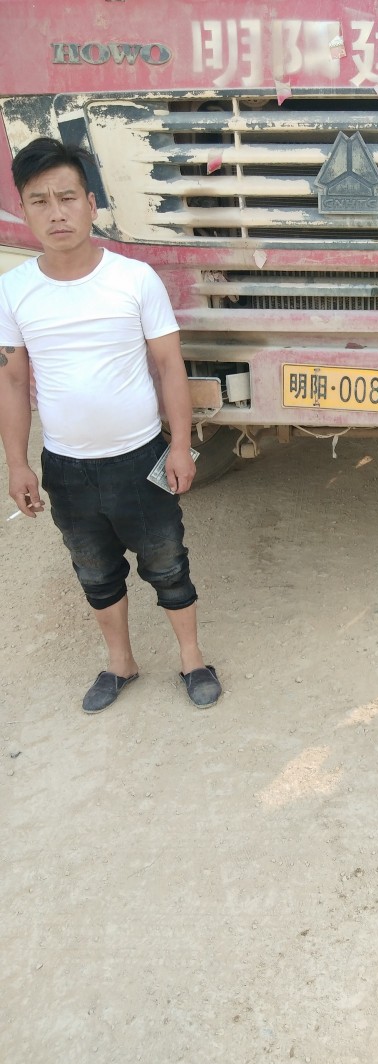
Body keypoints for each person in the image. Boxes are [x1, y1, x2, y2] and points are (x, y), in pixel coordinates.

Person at [0, 137, 222, 712]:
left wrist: (180, 445)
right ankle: (120, 663)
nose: (56, 212)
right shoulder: (13, 291)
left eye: (67, 197)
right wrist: (18, 464)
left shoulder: (134, 278)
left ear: (91, 204)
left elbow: (169, 365)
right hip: (66, 466)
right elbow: (13, 382)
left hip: (140, 457)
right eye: (40, 200)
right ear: (24, 210)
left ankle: (192, 658)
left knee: (167, 562)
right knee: (95, 571)